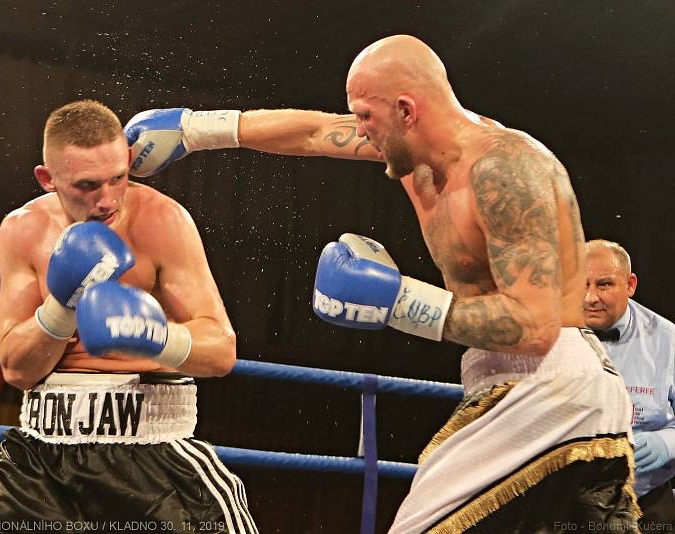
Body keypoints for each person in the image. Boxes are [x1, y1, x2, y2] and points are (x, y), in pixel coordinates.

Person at [125, 35, 639, 532]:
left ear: (407, 110)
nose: (359, 129)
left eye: (367, 117)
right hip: (539, 389)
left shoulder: (503, 173)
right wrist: (198, 130)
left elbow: (537, 327)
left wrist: (400, 302)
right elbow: (311, 131)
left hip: (549, 388)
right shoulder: (417, 154)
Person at [0, 100, 258, 534]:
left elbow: (221, 351)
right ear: (47, 180)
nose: (107, 200)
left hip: (151, 455)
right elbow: (16, 368)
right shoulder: (22, 229)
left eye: (118, 178)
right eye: (87, 185)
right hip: (41, 455)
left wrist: (156, 337)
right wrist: (63, 305)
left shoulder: (162, 220)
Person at [584, 239, 675, 531]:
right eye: (582, 284)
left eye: (604, 284)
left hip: (647, 502)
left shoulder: (668, 341)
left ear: (630, 285)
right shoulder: (550, 337)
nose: (590, 297)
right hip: (566, 497)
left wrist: (666, 443)